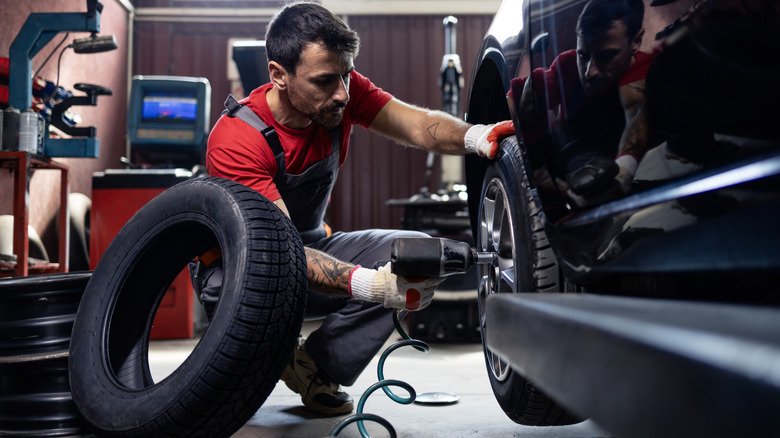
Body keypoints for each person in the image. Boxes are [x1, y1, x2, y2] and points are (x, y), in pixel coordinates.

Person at [194, 1, 510, 416]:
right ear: (279, 76)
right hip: (245, 269)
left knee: (413, 255)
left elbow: (416, 125)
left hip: (310, 245)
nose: (343, 92)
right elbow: (280, 252)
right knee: (229, 390)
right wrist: (372, 287)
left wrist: (475, 136)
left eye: (346, 74)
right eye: (326, 80)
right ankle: (266, 351)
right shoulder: (238, 139)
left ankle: (315, 365)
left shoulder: (341, 93)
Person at [512, 0, 654, 204]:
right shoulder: (566, 66)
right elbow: (513, 100)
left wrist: (622, 176)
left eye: (606, 55)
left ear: (636, 41)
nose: (590, 71)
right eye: (583, 56)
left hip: (611, 167)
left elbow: (637, 112)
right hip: (567, 167)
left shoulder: (642, 69)